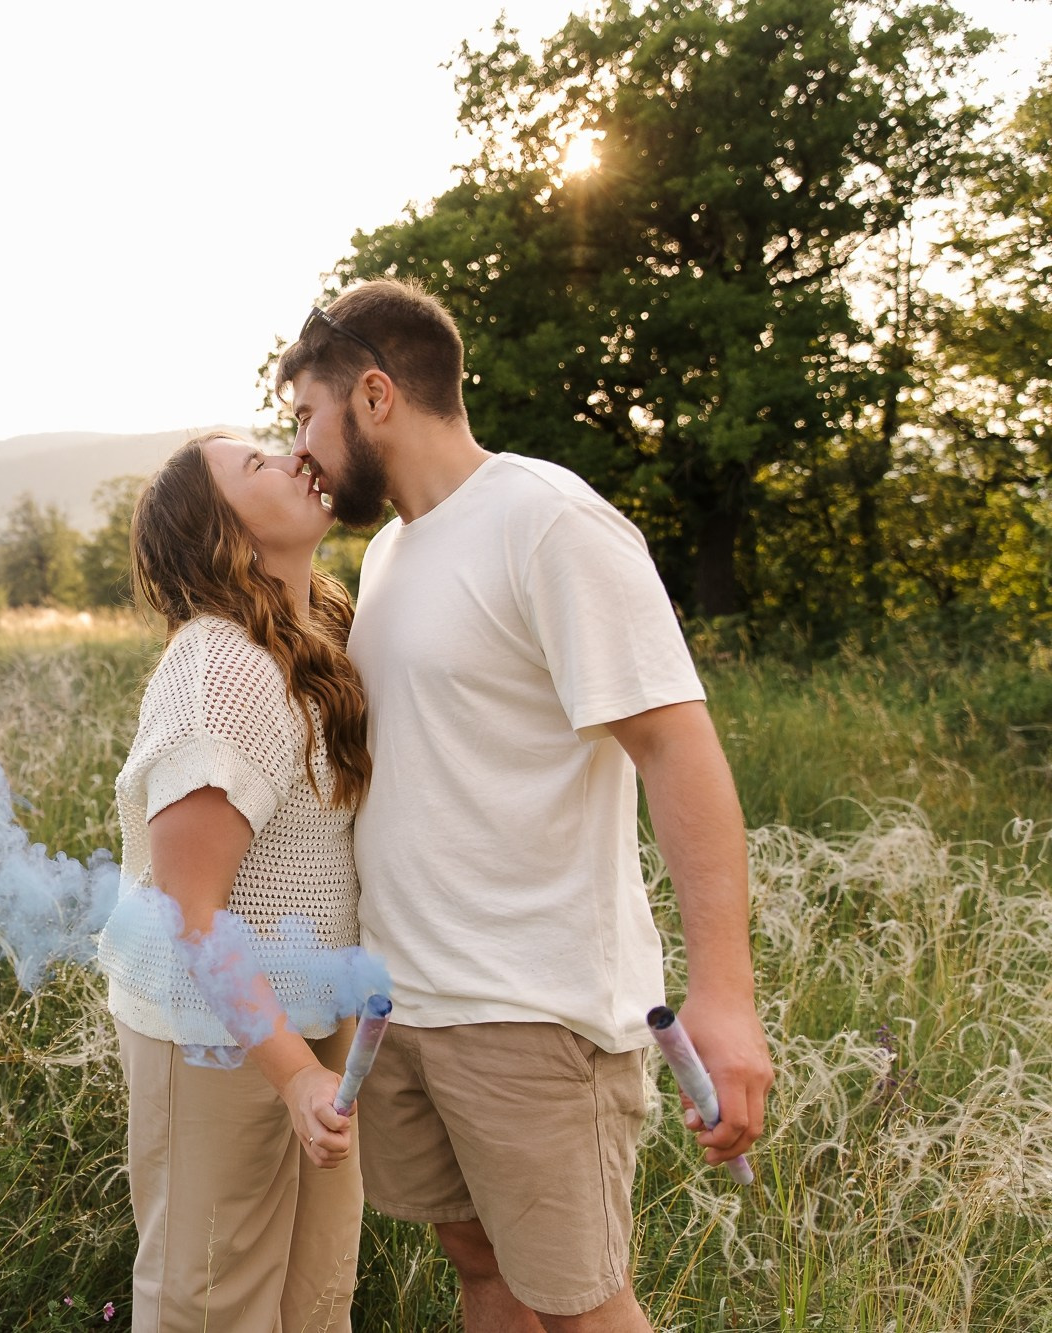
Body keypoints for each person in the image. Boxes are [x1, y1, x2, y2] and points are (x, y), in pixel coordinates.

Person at [279, 277, 773, 1332]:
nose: (299, 451)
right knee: (481, 1274)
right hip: (406, 1005)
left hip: (533, 1012)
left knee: (580, 1308)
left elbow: (675, 747)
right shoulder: (391, 553)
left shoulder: (546, 521)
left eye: (304, 417)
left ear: (372, 397)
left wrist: (722, 996)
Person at [96, 429, 375, 1332]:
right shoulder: (221, 670)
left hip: (309, 1024)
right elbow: (191, 912)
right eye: (255, 464)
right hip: (217, 1037)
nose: (292, 457)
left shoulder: (315, 636)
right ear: (219, 532)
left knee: (316, 1298)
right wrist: (293, 1075)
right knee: (210, 1306)